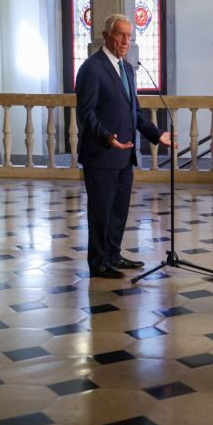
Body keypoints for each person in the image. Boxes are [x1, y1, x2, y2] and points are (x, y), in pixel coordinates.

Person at [76, 14, 173, 279]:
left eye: (129, 36)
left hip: (125, 154)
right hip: (102, 154)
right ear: (106, 35)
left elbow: (135, 114)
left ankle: (113, 254)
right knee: (101, 211)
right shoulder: (91, 68)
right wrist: (107, 136)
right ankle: (98, 262)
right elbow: (86, 114)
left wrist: (157, 134)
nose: (125, 41)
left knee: (119, 209)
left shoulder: (128, 69)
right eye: (120, 34)